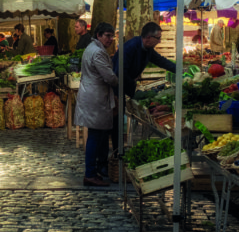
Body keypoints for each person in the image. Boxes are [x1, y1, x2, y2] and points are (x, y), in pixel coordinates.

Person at [75, 22, 119, 187]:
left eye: (112, 36)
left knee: (99, 135)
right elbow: (109, 77)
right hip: (95, 98)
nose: (110, 39)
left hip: (93, 96)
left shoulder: (91, 48)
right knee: (94, 136)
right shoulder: (98, 52)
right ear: (99, 35)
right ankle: (90, 173)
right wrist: (122, 82)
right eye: (107, 36)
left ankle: (97, 169)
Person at [113, 22, 176, 98]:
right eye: (158, 38)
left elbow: (161, 61)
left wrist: (179, 70)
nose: (159, 41)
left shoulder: (147, 48)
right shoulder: (130, 48)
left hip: (126, 88)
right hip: (116, 91)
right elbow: (120, 73)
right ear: (148, 37)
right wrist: (132, 84)